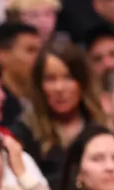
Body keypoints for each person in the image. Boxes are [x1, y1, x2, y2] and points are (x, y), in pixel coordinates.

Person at [23, 38, 103, 182]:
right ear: (40, 86)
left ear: (82, 82)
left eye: (68, 77)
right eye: (50, 79)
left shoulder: (102, 128)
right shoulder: (25, 133)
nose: (59, 88)